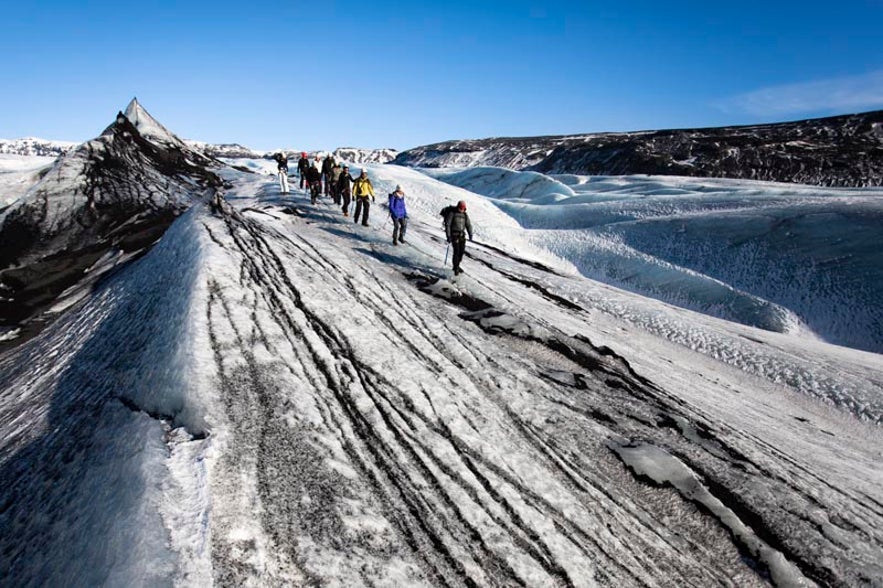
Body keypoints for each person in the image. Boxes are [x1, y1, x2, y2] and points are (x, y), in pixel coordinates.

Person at [444, 200, 473, 275]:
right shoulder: (452, 213)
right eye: (461, 207)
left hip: (462, 236)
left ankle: (456, 265)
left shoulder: (465, 215)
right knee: (456, 251)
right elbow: (448, 225)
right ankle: (456, 268)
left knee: (461, 252)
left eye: (463, 208)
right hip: (454, 235)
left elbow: (468, 225)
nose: (462, 209)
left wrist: (470, 234)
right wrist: (448, 236)